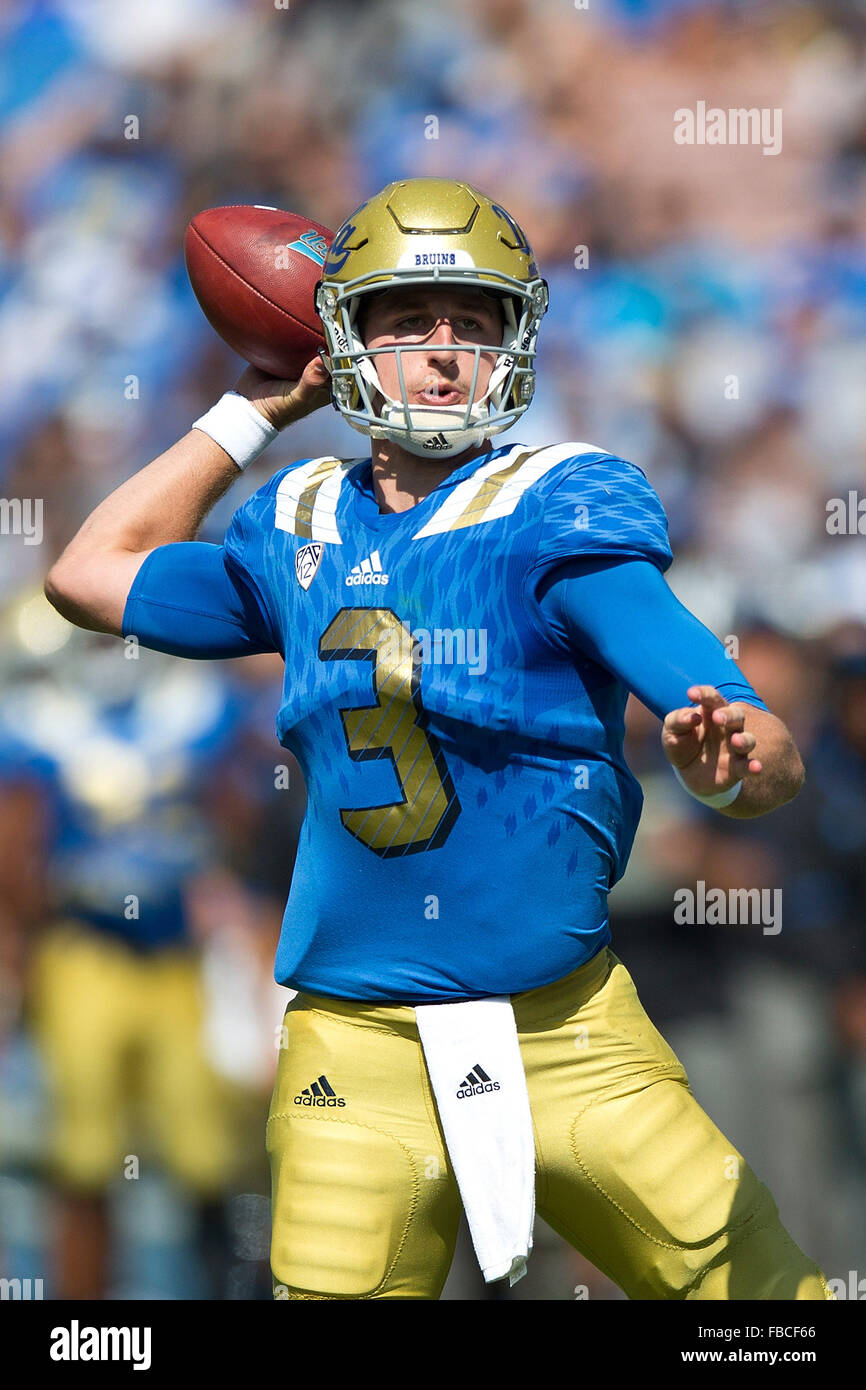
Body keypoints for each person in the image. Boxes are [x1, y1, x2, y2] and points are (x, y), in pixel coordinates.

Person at [45, 177, 832, 1300]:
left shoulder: (555, 504)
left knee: (766, 1310)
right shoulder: (297, 522)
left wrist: (741, 765)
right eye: (407, 319)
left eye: (473, 320)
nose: (445, 348)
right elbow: (87, 572)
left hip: (565, 1028)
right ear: (344, 340)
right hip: (351, 1051)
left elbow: (740, 725)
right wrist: (252, 410)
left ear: (516, 338)